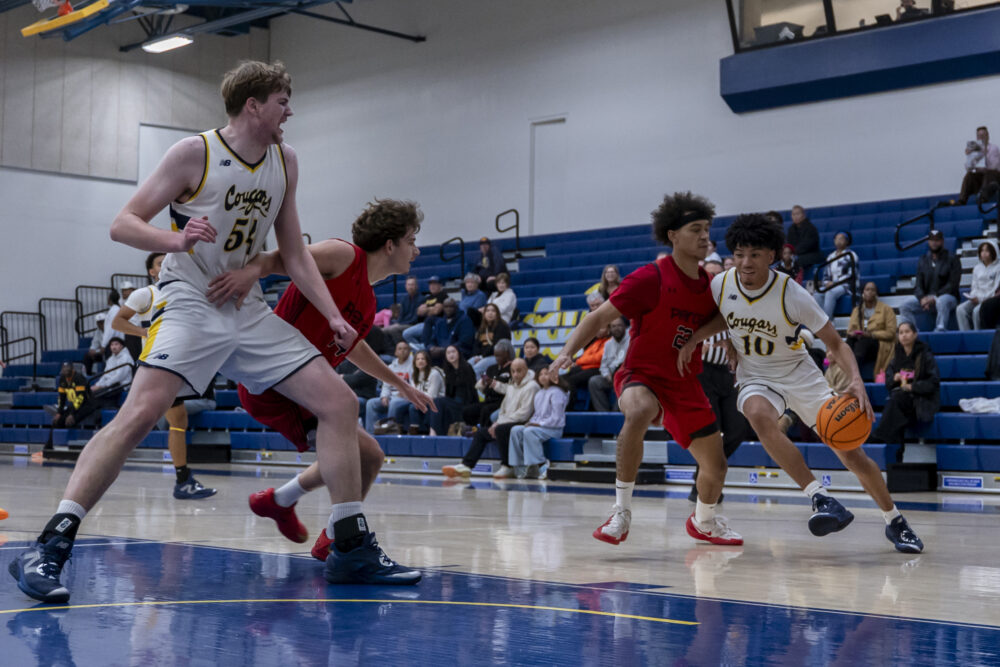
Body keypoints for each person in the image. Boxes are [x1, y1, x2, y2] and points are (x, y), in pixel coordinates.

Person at [10, 62, 419, 606]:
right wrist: (174, 240)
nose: (289, 111)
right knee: (138, 417)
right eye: (282, 101)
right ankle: (50, 546)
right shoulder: (193, 154)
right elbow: (123, 222)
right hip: (190, 299)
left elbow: (294, 252)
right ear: (254, 105)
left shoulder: (285, 161)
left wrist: (334, 315)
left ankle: (351, 548)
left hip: (247, 308)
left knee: (340, 404)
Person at [678, 213, 923, 554]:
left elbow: (836, 343)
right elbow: (721, 315)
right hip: (757, 376)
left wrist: (856, 380)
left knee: (852, 455)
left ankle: (895, 520)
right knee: (759, 417)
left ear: (772, 256)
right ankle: (820, 498)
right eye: (740, 253)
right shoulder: (721, 284)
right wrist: (708, 339)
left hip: (799, 373)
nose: (746, 262)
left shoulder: (791, 293)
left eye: (755, 254)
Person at [217, 200, 431, 567]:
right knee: (349, 430)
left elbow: (354, 348)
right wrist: (253, 270)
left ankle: (285, 505)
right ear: (391, 244)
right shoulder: (343, 255)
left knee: (370, 456)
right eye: (412, 240)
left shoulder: (368, 299)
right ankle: (344, 541)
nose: (417, 249)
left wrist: (401, 383)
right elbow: (287, 257)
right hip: (276, 383)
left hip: (304, 387)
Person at [554, 192, 743, 547]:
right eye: (695, 229)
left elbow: (724, 318)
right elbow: (598, 317)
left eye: (707, 229)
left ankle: (703, 521)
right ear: (672, 235)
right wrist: (567, 353)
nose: (705, 236)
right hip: (642, 373)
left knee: (716, 467)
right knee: (640, 409)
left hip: (685, 382)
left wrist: (700, 337)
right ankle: (620, 512)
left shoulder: (709, 285)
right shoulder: (651, 277)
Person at [111, 251, 217, 499]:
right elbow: (118, 322)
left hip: (173, 365)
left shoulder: (183, 291)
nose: (166, 265)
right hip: (157, 364)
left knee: (177, 421)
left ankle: (183, 479)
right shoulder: (146, 294)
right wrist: (144, 332)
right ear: (152, 271)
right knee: (134, 424)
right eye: (160, 263)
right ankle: (180, 480)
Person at [442, 358, 538, 478]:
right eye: (513, 371)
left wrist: (499, 424)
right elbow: (503, 409)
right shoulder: (512, 385)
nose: (515, 374)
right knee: (481, 433)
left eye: (519, 371)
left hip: (524, 423)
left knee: (501, 430)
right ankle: (466, 466)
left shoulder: (532, 386)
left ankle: (507, 466)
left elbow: (524, 413)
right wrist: (497, 422)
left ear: (526, 370)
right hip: (507, 422)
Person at [874, 322, 941, 447]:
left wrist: (912, 387)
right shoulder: (896, 358)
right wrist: (894, 378)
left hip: (920, 401)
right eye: (901, 332)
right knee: (896, 408)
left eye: (907, 332)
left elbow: (933, 383)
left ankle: (879, 436)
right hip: (901, 401)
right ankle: (895, 458)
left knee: (895, 403)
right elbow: (888, 384)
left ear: (915, 335)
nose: (904, 335)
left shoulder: (925, 356)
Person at [509, 367, 568, 479]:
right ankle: (520, 466)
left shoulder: (557, 392)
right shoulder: (539, 393)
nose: (543, 376)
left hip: (553, 429)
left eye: (546, 374)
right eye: (540, 374)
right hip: (540, 427)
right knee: (516, 430)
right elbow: (536, 416)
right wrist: (531, 422)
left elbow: (557, 418)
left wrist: (539, 424)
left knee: (530, 432)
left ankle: (541, 466)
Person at [898, 229, 961, 332]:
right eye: (932, 240)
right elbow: (918, 285)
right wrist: (922, 298)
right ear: (928, 242)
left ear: (942, 241)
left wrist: (935, 297)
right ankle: (912, 331)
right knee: (904, 305)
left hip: (948, 298)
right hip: (927, 298)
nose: (934, 243)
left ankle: (940, 329)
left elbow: (953, 284)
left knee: (941, 300)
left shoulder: (952, 258)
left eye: (937, 240)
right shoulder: (923, 260)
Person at [847, 282, 898, 381]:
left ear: (876, 293)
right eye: (867, 289)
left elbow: (891, 333)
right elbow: (850, 330)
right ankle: (839, 376)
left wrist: (871, 334)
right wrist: (854, 333)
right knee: (848, 343)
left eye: (872, 290)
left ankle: (853, 379)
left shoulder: (886, 310)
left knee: (863, 343)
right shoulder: (857, 310)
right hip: (860, 342)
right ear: (863, 292)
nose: (870, 292)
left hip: (879, 343)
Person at [364, 341, 415, 432]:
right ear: (395, 352)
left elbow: (416, 383)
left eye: (405, 349)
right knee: (371, 403)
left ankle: (390, 431)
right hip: (392, 396)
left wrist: (407, 392)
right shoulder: (391, 367)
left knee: (394, 403)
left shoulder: (413, 365)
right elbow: (386, 385)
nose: (402, 351)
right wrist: (384, 397)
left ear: (409, 351)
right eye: (400, 349)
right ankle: (371, 433)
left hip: (406, 397)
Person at [462, 339, 513, 428]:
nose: (497, 359)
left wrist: (494, 384)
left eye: (499, 356)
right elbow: (481, 388)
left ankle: (483, 431)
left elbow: (511, 389)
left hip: (502, 402)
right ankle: (471, 429)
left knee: (486, 410)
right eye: (495, 356)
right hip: (489, 399)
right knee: (467, 410)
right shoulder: (491, 368)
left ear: (507, 355)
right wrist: (483, 383)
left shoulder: (512, 369)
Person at [429, 345, 478, 436]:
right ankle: (437, 434)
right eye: (448, 353)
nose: (451, 355)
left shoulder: (467, 367)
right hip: (453, 403)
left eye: (453, 352)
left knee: (437, 402)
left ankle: (433, 433)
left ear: (458, 353)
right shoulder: (448, 370)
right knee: (439, 404)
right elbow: (449, 393)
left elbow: (471, 392)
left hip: (466, 404)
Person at [814, 231, 859, 318]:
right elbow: (826, 275)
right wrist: (826, 283)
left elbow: (851, 275)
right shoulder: (831, 256)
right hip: (832, 285)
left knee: (830, 292)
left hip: (846, 285)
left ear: (847, 241)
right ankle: (820, 321)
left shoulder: (851, 255)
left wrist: (835, 283)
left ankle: (828, 322)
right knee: (817, 293)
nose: (838, 241)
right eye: (837, 239)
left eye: (841, 239)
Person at [588, 317, 629, 412]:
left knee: (625, 383)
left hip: (625, 377)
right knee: (594, 381)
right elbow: (603, 366)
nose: (616, 328)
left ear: (625, 327)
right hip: (610, 378)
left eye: (619, 325)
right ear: (610, 329)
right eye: (613, 326)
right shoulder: (608, 344)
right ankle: (603, 413)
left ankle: (616, 412)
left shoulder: (631, 340)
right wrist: (607, 375)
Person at [957, 241, 1000, 331]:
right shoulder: (977, 268)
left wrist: (981, 299)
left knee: (977, 311)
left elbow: (995, 289)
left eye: (987, 251)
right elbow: (974, 286)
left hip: (989, 299)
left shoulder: (998, 267)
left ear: (994, 252)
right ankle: (966, 335)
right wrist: (973, 296)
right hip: (976, 298)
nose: (983, 253)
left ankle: (978, 335)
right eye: (982, 251)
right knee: (960, 309)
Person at [421, 298, 476, 364]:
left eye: (451, 307)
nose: (448, 309)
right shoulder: (440, 322)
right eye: (446, 307)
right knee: (423, 355)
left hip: (459, 351)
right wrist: (431, 347)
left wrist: (445, 350)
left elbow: (465, 342)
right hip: (440, 352)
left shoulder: (465, 320)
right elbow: (433, 339)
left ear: (456, 307)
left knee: (450, 354)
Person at [559, 324, 608, 395]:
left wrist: (578, 361)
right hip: (587, 368)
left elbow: (598, 358)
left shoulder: (608, 342)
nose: (598, 331)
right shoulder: (596, 342)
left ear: (608, 329)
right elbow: (586, 356)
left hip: (597, 369)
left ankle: (571, 404)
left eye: (602, 328)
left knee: (571, 380)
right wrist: (576, 361)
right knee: (561, 378)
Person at [404, 350, 444, 434]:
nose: (420, 361)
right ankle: (405, 430)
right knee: (403, 406)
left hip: (436, 401)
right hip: (420, 401)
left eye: (423, 359)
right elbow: (413, 392)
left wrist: (418, 401)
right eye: (418, 359)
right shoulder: (414, 375)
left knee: (413, 407)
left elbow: (432, 395)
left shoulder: (434, 373)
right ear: (414, 362)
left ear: (427, 361)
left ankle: (419, 431)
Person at [958, 126, 1000, 205]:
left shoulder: (994, 148)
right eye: (979, 136)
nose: (981, 138)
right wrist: (970, 157)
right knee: (969, 175)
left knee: (989, 173)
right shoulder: (975, 150)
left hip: (993, 179)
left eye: (983, 135)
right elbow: (968, 168)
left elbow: (994, 167)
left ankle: (983, 199)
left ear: (987, 136)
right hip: (981, 180)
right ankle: (961, 201)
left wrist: (985, 154)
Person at [402, 276, 446, 349]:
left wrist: (426, 310)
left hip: (435, 325)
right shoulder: (428, 297)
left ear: (440, 285)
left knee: (407, 333)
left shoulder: (443, 296)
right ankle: (420, 350)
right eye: (431, 284)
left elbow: (436, 311)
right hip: (424, 323)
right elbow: (419, 312)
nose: (432, 286)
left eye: (435, 284)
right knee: (406, 334)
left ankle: (423, 348)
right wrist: (431, 309)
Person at [786, 205, 824, 284]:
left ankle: (795, 280)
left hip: (811, 254)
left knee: (796, 260)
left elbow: (808, 245)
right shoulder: (791, 229)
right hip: (796, 254)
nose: (795, 216)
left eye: (797, 214)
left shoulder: (811, 228)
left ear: (803, 215)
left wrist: (793, 253)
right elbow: (789, 244)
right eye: (793, 214)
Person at [470, 303, 511, 376]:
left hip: (496, 356)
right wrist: (476, 355)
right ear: (484, 314)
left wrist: (481, 357)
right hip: (482, 356)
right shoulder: (482, 328)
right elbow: (476, 345)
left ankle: (478, 387)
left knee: (476, 369)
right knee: (467, 366)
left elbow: (497, 346)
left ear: (497, 314)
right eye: (487, 311)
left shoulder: (502, 327)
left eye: (493, 311)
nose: (490, 313)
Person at [382, 276, 422, 344]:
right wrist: (398, 323)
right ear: (406, 286)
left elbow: (415, 319)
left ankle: (401, 346)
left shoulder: (421, 299)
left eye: (412, 284)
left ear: (416, 286)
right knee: (383, 330)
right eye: (408, 285)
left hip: (413, 324)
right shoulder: (404, 299)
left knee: (393, 329)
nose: (410, 287)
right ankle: (391, 349)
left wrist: (400, 324)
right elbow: (401, 315)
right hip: (403, 323)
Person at [50, 363, 89, 429]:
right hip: (74, 405)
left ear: (72, 369)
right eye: (64, 368)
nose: (66, 369)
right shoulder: (62, 379)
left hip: (86, 404)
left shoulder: (79, 378)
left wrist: (72, 414)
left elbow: (80, 398)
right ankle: (54, 439)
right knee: (57, 421)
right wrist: (59, 413)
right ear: (61, 370)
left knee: (70, 421)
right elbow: (61, 398)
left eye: (68, 367)